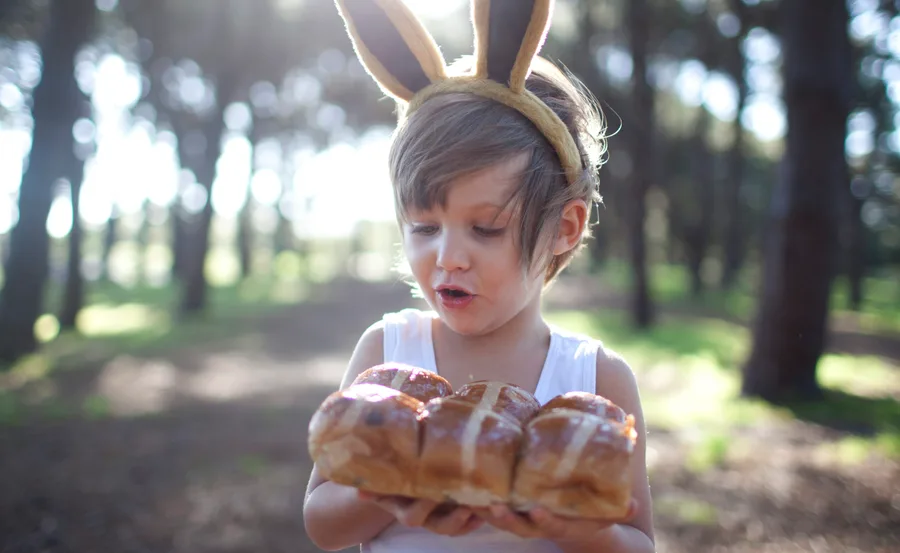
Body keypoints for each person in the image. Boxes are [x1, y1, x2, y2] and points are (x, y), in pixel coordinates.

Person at [303, 0, 655, 551]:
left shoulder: (595, 382)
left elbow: (638, 540)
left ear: (565, 227)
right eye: (424, 226)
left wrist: (578, 530)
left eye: (486, 228)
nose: (447, 257)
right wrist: (390, 490)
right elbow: (321, 522)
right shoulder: (388, 357)